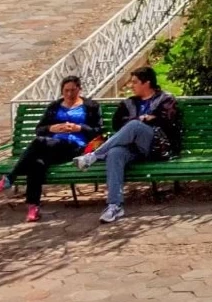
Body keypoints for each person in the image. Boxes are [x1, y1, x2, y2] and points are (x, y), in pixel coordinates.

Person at [76, 66, 181, 224]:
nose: (131, 86)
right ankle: (114, 206)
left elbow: (169, 121)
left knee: (135, 126)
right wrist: (143, 118)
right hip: (133, 149)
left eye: (135, 82)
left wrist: (147, 120)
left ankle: (95, 155)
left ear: (147, 83)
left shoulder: (165, 99)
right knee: (115, 153)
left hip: (157, 147)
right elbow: (117, 124)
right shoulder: (129, 103)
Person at [0, 74, 95, 221]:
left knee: (39, 142)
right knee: (37, 163)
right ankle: (33, 208)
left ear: (80, 90)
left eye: (73, 90)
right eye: (66, 91)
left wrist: (78, 128)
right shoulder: (54, 107)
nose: (69, 94)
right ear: (62, 91)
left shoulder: (90, 106)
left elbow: (98, 130)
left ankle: (9, 179)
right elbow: (39, 129)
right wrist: (52, 128)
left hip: (75, 147)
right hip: (52, 147)